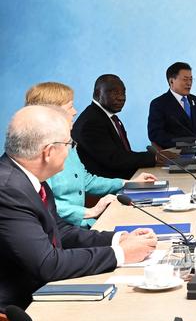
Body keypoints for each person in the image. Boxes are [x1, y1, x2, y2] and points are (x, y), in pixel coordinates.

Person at [0, 105, 157, 311]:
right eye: (69, 143)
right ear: (48, 152)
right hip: (20, 308)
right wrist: (119, 254)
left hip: (42, 289)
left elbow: (60, 232)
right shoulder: (9, 190)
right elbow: (48, 264)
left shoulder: (31, 177)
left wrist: (118, 238)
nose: (71, 149)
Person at [25, 82, 158, 227]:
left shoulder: (67, 142)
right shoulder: (36, 154)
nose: (75, 111)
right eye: (70, 107)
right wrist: (90, 212)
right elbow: (44, 204)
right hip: (63, 230)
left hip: (84, 225)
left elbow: (87, 181)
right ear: (51, 113)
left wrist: (128, 183)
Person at [72, 74, 160, 179]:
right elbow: (114, 159)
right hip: (108, 187)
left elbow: (122, 154)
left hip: (123, 178)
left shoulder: (109, 117)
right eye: (114, 92)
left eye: (123, 92)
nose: (122, 98)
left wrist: (154, 157)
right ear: (97, 93)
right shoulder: (91, 122)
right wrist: (153, 157)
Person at [148, 62, 196, 149]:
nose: (189, 83)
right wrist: (186, 143)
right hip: (177, 154)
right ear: (171, 81)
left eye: (191, 79)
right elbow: (155, 134)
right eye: (185, 79)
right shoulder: (159, 104)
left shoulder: (195, 100)